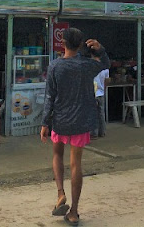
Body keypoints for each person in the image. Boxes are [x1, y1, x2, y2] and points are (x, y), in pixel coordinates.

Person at [40, 28, 110, 226]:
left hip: (60, 120)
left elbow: (49, 97)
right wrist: (100, 49)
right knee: (76, 164)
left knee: (57, 155)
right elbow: (105, 65)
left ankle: (60, 193)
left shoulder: (55, 66)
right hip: (81, 120)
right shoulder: (87, 65)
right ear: (80, 45)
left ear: (63, 43)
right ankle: (74, 211)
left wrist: (45, 122)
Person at [92, 66, 109, 139]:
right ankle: (102, 132)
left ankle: (94, 133)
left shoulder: (92, 67)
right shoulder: (106, 69)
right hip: (101, 93)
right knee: (101, 113)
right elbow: (107, 81)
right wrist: (103, 90)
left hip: (93, 93)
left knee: (93, 113)